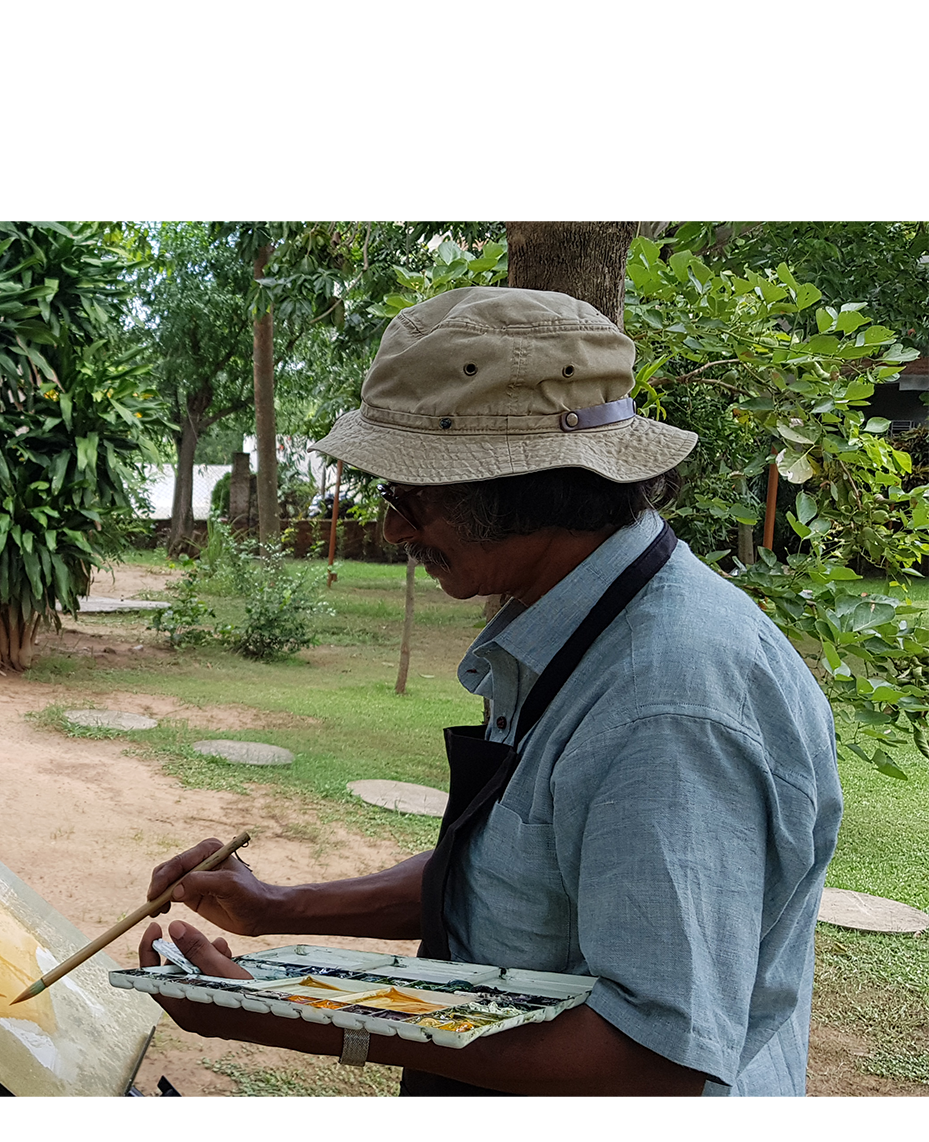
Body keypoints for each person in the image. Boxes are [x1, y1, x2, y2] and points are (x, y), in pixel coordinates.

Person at [139, 286, 841, 1096]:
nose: (394, 528)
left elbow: (654, 1062)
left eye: (410, 495)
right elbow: (511, 879)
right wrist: (277, 907)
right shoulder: (579, 627)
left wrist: (294, 1016)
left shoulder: (670, 705)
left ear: (523, 485)